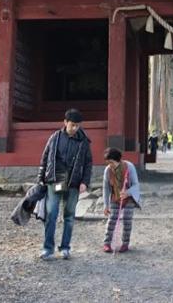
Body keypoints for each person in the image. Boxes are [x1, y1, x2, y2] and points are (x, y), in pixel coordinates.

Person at [37, 108, 93, 260]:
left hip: (74, 182)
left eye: (77, 125)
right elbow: (45, 158)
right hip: (56, 180)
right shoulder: (55, 137)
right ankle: (48, 248)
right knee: (51, 214)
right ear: (65, 122)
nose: (75, 128)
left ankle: (65, 247)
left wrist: (85, 182)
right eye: (72, 125)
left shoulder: (83, 141)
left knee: (69, 216)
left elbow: (88, 163)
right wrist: (41, 178)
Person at [102, 147, 141, 253]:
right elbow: (106, 188)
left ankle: (125, 243)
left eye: (111, 162)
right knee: (112, 220)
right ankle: (107, 243)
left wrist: (127, 192)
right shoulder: (108, 170)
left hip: (129, 197)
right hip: (115, 197)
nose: (110, 165)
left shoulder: (129, 167)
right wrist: (106, 205)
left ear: (118, 160)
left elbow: (136, 184)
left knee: (127, 221)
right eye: (108, 162)